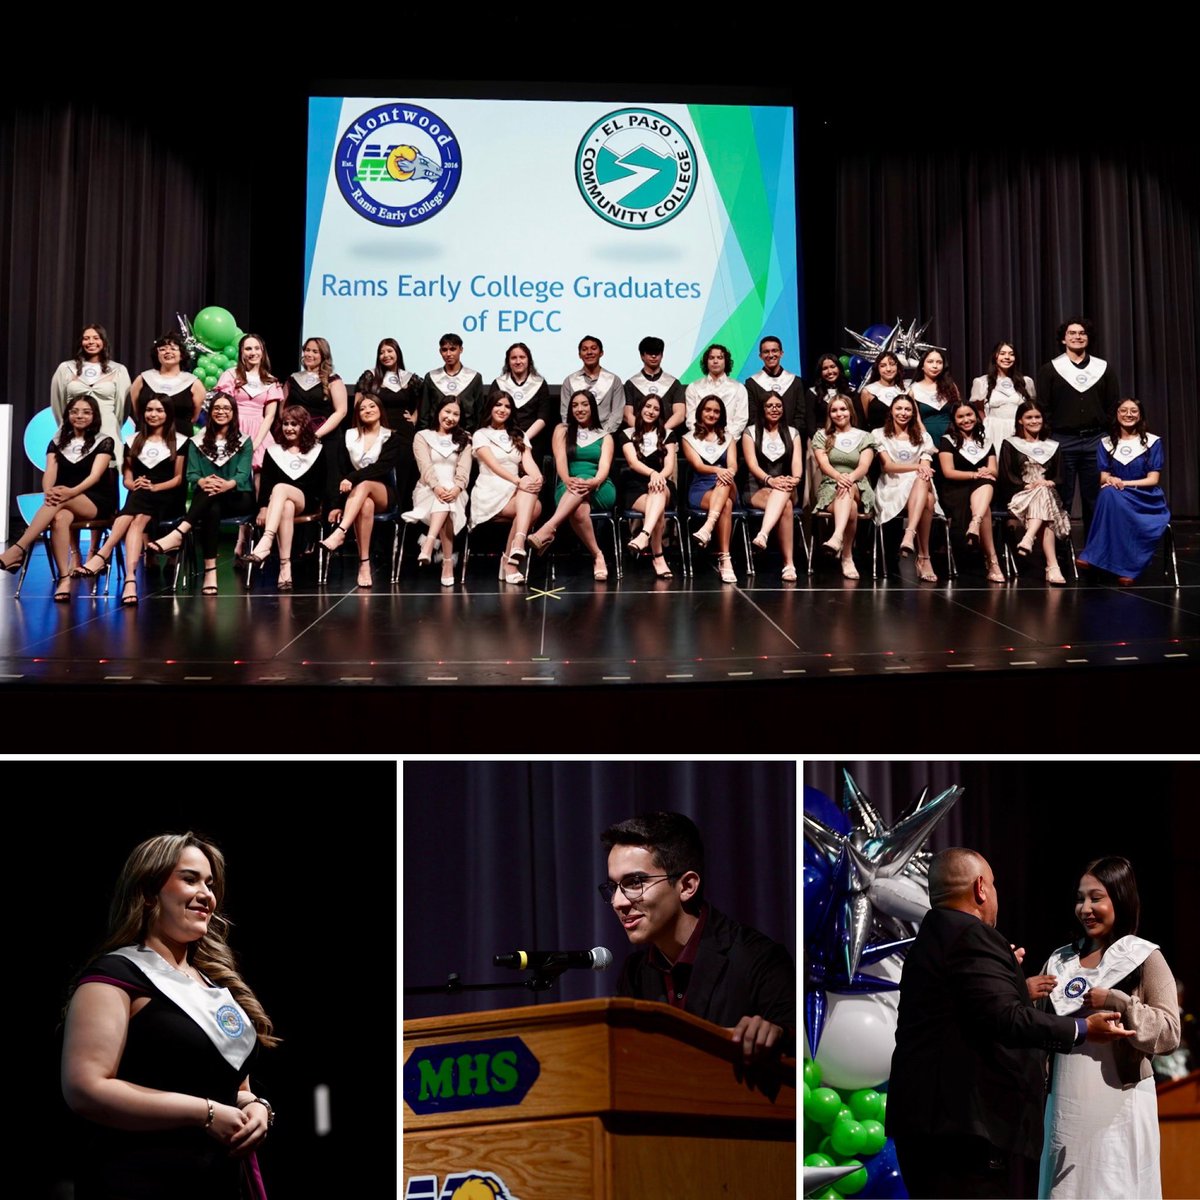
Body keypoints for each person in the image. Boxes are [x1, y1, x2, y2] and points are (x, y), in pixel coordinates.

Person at [888, 847, 1136, 1200]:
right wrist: (1083, 1030)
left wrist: (1017, 987)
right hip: (961, 1130)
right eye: (993, 883)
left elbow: (973, 1010)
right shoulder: (973, 935)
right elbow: (1004, 1019)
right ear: (980, 888)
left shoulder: (931, 936)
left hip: (924, 1127)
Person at [61, 832, 276, 1198]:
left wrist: (256, 1107)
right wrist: (205, 1113)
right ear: (148, 893)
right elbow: (86, 1088)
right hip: (139, 1181)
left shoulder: (214, 986)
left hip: (219, 1184)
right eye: (190, 879)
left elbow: (235, 1088)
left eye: (210, 883)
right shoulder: (116, 976)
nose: (207, 894)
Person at [600, 811, 795, 1062]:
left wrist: (775, 1034)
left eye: (635, 882)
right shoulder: (634, 974)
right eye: (613, 887)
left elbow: (795, 1047)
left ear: (687, 886)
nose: (618, 901)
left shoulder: (759, 959)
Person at [1037, 856, 1180, 1199]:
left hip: (1122, 1105)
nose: (1085, 908)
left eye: (1096, 898)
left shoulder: (1143, 957)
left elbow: (1170, 1032)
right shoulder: (1059, 961)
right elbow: (1036, 1030)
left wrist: (1119, 1002)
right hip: (1066, 1106)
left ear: (1120, 898)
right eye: (1079, 898)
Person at [1, 394, 116, 600]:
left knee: (60, 497)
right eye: (74, 411)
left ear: (94, 416)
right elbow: (49, 474)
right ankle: (64, 579)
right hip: (63, 500)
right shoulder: (57, 441)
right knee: (59, 518)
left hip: (95, 501)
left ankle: (19, 547)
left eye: (86, 412)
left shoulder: (104, 441)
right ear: (67, 414)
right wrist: (49, 492)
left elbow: (95, 476)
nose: (79, 416)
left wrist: (69, 492)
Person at [75, 397, 187, 606]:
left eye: (159, 410)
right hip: (140, 495)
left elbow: (178, 478)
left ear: (168, 414)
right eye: (149, 409)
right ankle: (130, 579)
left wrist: (154, 487)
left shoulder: (180, 441)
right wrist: (131, 483)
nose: (153, 414)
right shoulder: (133, 440)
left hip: (168, 496)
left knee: (137, 505)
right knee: (137, 518)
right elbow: (127, 473)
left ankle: (103, 554)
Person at [147, 396, 255, 596]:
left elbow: (242, 474)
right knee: (211, 507)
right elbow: (191, 474)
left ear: (233, 413)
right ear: (210, 412)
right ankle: (210, 572)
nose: (221, 411)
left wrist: (226, 484)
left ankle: (179, 533)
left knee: (210, 499)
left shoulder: (244, 441)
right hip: (208, 499)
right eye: (217, 408)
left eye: (226, 408)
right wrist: (202, 481)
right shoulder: (197, 443)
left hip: (237, 497)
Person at [1036, 318, 1120, 533]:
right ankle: (1061, 553)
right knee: (1062, 497)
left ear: (1088, 338)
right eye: (1072, 333)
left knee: (1094, 498)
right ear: (1064, 339)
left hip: (1095, 440)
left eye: (1082, 333)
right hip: (1063, 440)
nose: (1077, 336)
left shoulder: (1103, 368)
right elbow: (1043, 407)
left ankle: (1094, 551)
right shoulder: (1051, 369)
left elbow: (1113, 405)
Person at [1076, 398, 1170, 585]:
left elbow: (1153, 480)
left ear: (1140, 415)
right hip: (1117, 494)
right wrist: (1110, 479)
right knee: (1107, 492)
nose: (1128, 414)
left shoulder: (1152, 442)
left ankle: (1113, 562)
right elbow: (1104, 476)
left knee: (1109, 494)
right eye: (1123, 410)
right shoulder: (1106, 443)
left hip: (1145, 498)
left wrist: (1124, 483)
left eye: (1133, 411)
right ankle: (1120, 567)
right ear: (1117, 414)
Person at [529, 390, 616, 581]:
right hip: (569, 484)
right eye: (575, 405)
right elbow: (560, 459)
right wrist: (567, 479)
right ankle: (598, 555)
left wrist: (593, 482)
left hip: (599, 487)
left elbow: (604, 467)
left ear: (592, 407)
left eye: (584, 404)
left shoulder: (605, 436)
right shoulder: (562, 430)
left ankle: (549, 527)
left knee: (582, 485)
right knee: (578, 510)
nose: (579, 409)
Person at [319, 395, 400, 589]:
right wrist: (337, 505)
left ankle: (340, 532)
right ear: (358, 414)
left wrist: (353, 478)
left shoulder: (391, 436)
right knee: (365, 504)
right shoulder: (348, 436)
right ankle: (364, 564)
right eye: (363, 408)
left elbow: (381, 468)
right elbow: (338, 472)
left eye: (372, 406)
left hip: (383, 492)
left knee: (364, 485)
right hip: (355, 498)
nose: (368, 410)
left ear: (380, 410)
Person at [215, 335, 283, 563]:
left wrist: (254, 443)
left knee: (259, 486)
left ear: (262, 351)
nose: (252, 352)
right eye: (248, 348)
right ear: (241, 352)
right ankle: (239, 536)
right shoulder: (230, 376)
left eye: (256, 348)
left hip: (260, 433)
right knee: (238, 484)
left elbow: (270, 416)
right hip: (234, 431)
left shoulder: (271, 381)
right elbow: (223, 407)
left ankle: (246, 537)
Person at [247, 405, 326, 591]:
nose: (289, 428)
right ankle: (285, 567)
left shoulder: (317, 450)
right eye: (285, 424)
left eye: (294, 424)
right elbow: (265, 483)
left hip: (307, 500)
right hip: (281, 504)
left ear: (303, 426)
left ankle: (266, 541)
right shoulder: (273, 451)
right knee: (286, 506)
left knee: (281, 488)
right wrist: (263, 507)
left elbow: (320, 484)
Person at [469, 389, 544, 584]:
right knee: (533, 505)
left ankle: (513, 553)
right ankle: (512, 556)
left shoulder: (518, 435)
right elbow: (493, 465)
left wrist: (537, 478)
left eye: (507, 406)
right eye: (498, 405)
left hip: (515, 492)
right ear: (490, 408)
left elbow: (528, 463)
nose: (503, 409)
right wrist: (520, 481)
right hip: (490, 491)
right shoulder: (480, 434)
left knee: (532, 500)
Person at [999, 400, 1071, 586]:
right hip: (1020, 494)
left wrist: (1049, 482)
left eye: (1037, 417)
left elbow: (1061, 477)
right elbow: (1007, 475)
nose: (1034, 421)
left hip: (1048, 493)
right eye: (1029, 417)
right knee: (1042, 500)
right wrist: (1026, 486)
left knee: (1043, 492)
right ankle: (1052, 566)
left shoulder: (1053, 446)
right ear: (1020, 421)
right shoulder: (1011, 444)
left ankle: (1028, 537)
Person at [403, 396, 472, 588]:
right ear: (438, 412)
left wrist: (457, 488)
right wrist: (436, 486)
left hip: (456, 492)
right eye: (447, 412)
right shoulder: (423, 436)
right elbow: (424, 466)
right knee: (443, 500)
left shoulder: (465, 438)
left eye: (456, 414)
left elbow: (464, 470)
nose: (450, 417)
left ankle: (429, 544)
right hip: (427, 489)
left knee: (447, 499)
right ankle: (447, 563)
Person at [873, 395, 940, 582]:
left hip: (919, 483)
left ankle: (909, 535)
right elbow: (888, 466)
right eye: (899, 408)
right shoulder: (879, 434)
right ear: (891, 411)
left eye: (908, 409)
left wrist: (920, 468)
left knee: (923, 483)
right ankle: (923, 557)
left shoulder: (923, 436)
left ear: (913, 413)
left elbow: (926, 466)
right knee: (928, 498)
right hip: (891, 485)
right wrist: (916, 466)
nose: (903, 413)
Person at [938, 400, 1006, 583]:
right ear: (954, 419)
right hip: (956, 489)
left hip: (983, 488)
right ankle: (992, 562)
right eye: (960, 416)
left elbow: (994, 470)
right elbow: (948, 472)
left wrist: (986, 472)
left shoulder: (985, 440)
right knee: (985, 510)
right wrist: (975, 474)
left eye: (969, 415)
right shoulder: (948, 441)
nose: (966, 420)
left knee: (986, 483)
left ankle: (975, 523)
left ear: (976, 416)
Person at [50, 323, 132, 469]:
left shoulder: (119, 370)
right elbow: (58, 403)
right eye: (86, 338)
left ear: (104, 341)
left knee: (104, 480)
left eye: (96, 338)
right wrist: (69, 422)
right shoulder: (65, 368)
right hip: (73, 432)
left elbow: (122, 409)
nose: (91, 342)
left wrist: (111, 424)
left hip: (107, 431)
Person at [812, 396, 875, 580]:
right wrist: (839, 477)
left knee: (849, 488)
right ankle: (847, 556)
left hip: (859, 484)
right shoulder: (822, 435)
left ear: (850, 411)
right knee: (851, 508)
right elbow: (823, 464)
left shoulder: (864, 436)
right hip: (831, 485)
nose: (839, 414)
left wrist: (849, 478)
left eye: (843, 409)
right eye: (834, 410)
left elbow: (864, 466)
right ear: (829, 414)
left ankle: (837, 536)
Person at [742, 394, 802, 581]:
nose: (774, 409)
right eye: (770, 406)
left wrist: (795, 479)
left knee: (784, 493)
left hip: (787, 487)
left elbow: (797, 463)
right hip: (757, 487)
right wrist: (770, 480)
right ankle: (789, 564)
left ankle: (763, 533)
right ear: (763, 409)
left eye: (778, 405)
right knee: (786, 506)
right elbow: (752, 464)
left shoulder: (793, 433)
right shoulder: (750, 432)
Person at [355, 338, 419, 513]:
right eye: (382, 352)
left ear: (397, 353)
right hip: (376, 433)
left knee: (404, 479)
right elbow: (358, 404)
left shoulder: (410, 378)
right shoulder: (370, 376)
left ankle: (400, 525)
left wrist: (414, 418)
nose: (386, 355)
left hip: (404, 436)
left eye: (390, 351)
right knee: (377, 473)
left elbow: (422, 401)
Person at [681, 395, 739, 584]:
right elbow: (697, 466)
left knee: (725, 481)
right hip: (701, 488)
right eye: (708, 410)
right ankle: (725, 559)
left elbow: (733, 466)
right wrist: (717, 470)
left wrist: (724, 472)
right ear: (700, 412)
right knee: (727, 505)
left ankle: (708, 527)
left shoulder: (729, 438)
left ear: (721, 415)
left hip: (727, 485)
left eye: (716, 411)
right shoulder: (689, 438)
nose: (712, 414)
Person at [621, 393, 678, 579]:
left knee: (658, 490)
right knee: (657, 509)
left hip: (663, 482)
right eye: (648, 406)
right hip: (636, 485)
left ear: (660, 414)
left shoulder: (668, 435)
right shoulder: (626, 434)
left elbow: (669, 466)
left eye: (656, 408)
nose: (651, 411)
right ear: (640, 409)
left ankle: (644, 535)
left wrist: (659, 477)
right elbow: (633, 463)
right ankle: (658, 556)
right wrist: (652, 474)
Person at [130, 332, 206, 435]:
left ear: (182, 355)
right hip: (146, 438)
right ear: (157, 354)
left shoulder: (194, 383)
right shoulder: (142, 379)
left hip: (180, 439)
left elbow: (194, 417)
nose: (167, 352)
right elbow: (137, 412)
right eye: (163, 349)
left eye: (173, 349)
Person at [491, 342, 553, 465]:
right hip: (503, 438)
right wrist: (507, 438)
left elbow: (543, 417)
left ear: (529, 360)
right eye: (514, 358)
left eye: (522, 357)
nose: (518, 361)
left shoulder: (539, 384)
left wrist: (524, 439)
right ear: (508, 361)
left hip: (532, 440)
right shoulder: (499, 383)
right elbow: (492, 413)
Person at [970, 341, 1034, 453]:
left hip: (1020, 429)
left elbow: (1032, 408)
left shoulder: (1026, 382)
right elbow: (978, 408)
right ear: (995, 356)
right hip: (994, 430)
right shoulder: (982, 382)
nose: (1007, 357)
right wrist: (988, 423)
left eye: (1011, 354)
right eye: (1003, 353)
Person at [284, 336, 348, 441]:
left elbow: (341, 411)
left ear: (323, 355)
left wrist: (316, 435)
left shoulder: (333, 380)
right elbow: (283, 409)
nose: (309, 354)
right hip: (295, 437)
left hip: (324, 437)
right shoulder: (293, 379)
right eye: (307, 350)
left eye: (315, 351)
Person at [559, 335, 624, 433]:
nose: (589, 352)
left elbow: (617, 413)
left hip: (606, 435)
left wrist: (602, 435)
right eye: (584, 349)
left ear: (601, 353)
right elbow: (565, 413)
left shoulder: (614, 380)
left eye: (593, 349)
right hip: (576, 435)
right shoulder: (569, 381)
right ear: (579, 355)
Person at [684, 343, 749, 439]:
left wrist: (726, 439)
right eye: (711, 358)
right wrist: (703, 437)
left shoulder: (739, 388)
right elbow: (691, 419)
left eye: (719, 357)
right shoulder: (693, 387)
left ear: (726, 361)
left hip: (729, 440)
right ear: (706, 362)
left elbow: (741, 419)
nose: (715, 361)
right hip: (699, 440)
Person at [421, 333, 483, 432]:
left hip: (466, 434)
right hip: (435, 434)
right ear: (440, 351)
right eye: (444, 350)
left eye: (453, 349)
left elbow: (479, 413)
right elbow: (424, 412)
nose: (448, 354)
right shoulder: (431, 377)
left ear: (461, 349)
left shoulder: (474, 377)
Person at [745, 335, 805, 437]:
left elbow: (801, 415)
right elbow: (752, 416)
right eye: (766, 352)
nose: (771, 355)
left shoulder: (796, 382)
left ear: (781, 353)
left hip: (792, 440)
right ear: (760, 356)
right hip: (762, 441)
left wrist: (790, 436)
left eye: (774, 351)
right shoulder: (751, 383)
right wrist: (768, 437)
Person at [623, 336, 685, 432]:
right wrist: (644, 432)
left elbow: (680, 414)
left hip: (666, 435)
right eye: (650, 353)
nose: (653, 356)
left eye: (657, 353)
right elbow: (627, 415)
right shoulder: (631, 384)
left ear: (662, 355)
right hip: (638, 434)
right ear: (642, 356)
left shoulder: (674, 383)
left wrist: (661, 431)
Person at [908, 348, 960, 446]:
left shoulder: (951, 387)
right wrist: (925, 440)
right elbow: (916, 420)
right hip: (926, 437)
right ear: (922, 365)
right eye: (930, 362)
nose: (935, 366)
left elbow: (959, 411)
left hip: (952, 435)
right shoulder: (913, 390)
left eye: (939, 362)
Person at [857, 350, 907, 431]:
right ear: (878, 368)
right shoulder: (868, 391)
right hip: (877, 439)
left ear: (897, 367)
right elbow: (863, 421)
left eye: (892, 364)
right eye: (883, 366)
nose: (888, 369)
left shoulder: (906, 391)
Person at [805, 354, 853, 434]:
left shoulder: (851, 392)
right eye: (825, 368)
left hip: (848, 439)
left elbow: (858, 421)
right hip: (820, 438)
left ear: (839, 368)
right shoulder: (812, 393)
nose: (830, 372)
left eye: (832, 367)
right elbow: (810, 424)